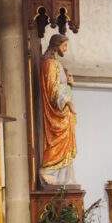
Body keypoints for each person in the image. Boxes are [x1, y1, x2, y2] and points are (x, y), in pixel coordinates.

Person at [38, 33, 77, 186]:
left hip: (64, 112)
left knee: (66, 146)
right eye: (64, 45)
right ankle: (48, 171)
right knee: (57, 142)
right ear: (57, 45)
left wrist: (69, 85)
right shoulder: (49, 64)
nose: (66, 49)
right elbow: (52, 91)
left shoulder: (56, 63)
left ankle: (63, 179)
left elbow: (60, 87)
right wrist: (67, 102)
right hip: (57, 113)